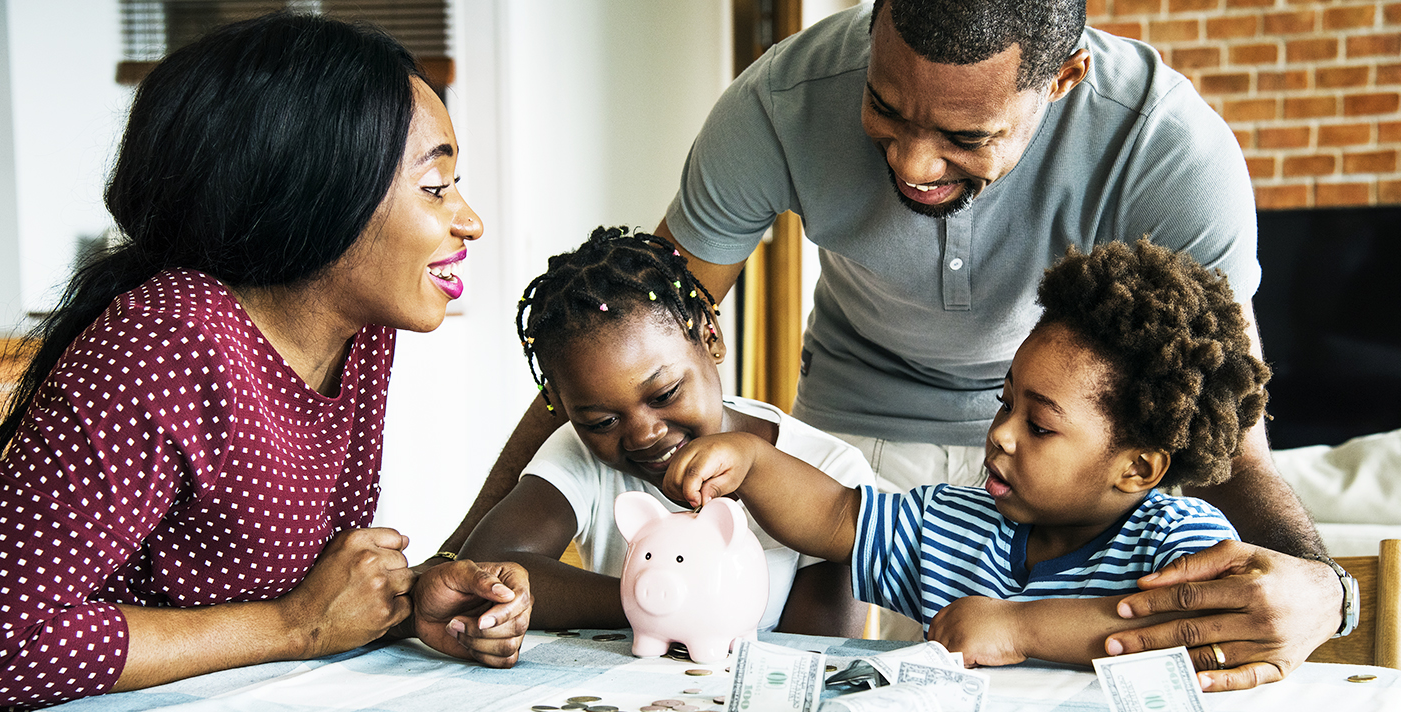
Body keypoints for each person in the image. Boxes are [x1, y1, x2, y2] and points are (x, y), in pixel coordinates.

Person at [438, 0, 1346, 689]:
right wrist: (456, 563)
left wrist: (1326, 590)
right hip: (853, 441)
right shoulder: (778, 104)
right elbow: (627, 329)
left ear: (1062, 79)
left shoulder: (1169, 152)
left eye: (965, 135)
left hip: (1077, 441)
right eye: (886, 107)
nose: (912, 165)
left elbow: (1229, 446)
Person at [0, 14, 531, 709]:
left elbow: (315, 592)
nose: (468, 220)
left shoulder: (358, 333)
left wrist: (410, 601)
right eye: (435, 186)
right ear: (317, 191)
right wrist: (294, 627)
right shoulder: (168, 340)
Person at [666, 240, 1268, 676]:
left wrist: (1018, 627)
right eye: (1005, 404)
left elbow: (1184, 633)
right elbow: (833, 518)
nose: (1001, 435)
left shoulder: (1181, 542)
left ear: (1137, 469)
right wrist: (752, 462)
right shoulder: (955, 524)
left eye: (1039, 425)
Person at [455, 227, 873, 636]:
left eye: (665, 393)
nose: (643, 435)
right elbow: (482, 569)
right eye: (602, 422)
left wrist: (668, 600)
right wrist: (648, 599)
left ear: (710, 336)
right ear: (564, 407)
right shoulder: (578, 450)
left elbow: (817, 651)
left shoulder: (830, 469)